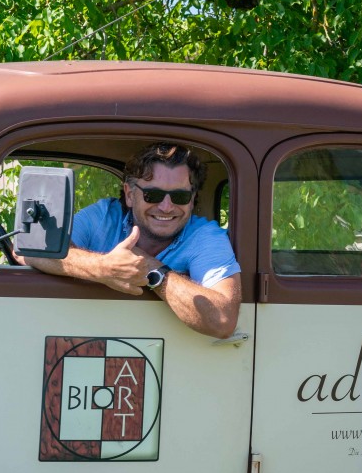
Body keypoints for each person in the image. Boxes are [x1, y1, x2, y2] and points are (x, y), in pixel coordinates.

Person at [23, 143, 241, 339]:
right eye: (153, 195)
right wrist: (102, 268)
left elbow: (222, 321)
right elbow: (31, 251)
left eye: (179, 197)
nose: (166, 206)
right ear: (129, 194)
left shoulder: (204, 236)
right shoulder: (104, 216)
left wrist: (152, 271)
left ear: (192, 200)